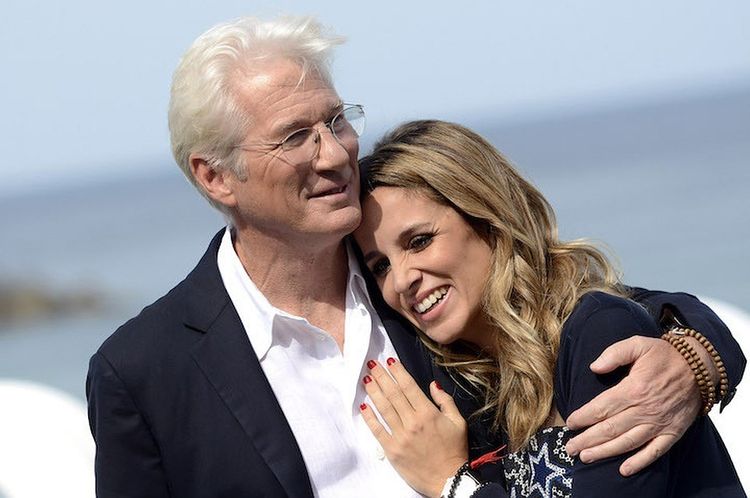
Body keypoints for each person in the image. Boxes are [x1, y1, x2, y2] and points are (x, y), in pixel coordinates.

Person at [86, 16, 744, 497]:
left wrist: (694, 357)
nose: (334, 153)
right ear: (215, 176)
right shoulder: (141, 374)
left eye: (335, 121)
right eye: (294, 136)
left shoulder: (422, 298)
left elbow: (578, 310)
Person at [353, 119, 746, 497]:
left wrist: (451, 483)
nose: (401, 280)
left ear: (489, 218)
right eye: (380, 266)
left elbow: (623, 311)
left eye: (419, 241)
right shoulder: (469, 381)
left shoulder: (599, 339)